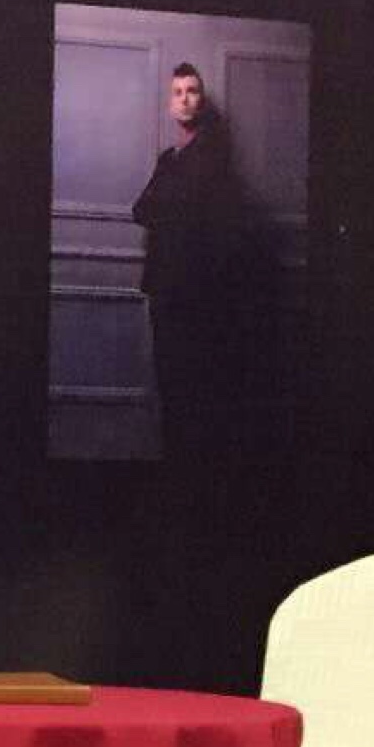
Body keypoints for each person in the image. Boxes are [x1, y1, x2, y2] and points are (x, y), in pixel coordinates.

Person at [132, 62, 247, 457]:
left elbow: (213, 227)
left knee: (193, 387)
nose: (184, 99)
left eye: (192, 91)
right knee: (170, 383)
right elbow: (140, 210)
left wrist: (171, 211)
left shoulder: (212, 160)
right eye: (177, 92)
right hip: (163, 288)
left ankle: (190, 465)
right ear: (170, 104)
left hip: (195, 293)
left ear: (201, 101)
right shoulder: (169, 159)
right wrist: (176, 211)